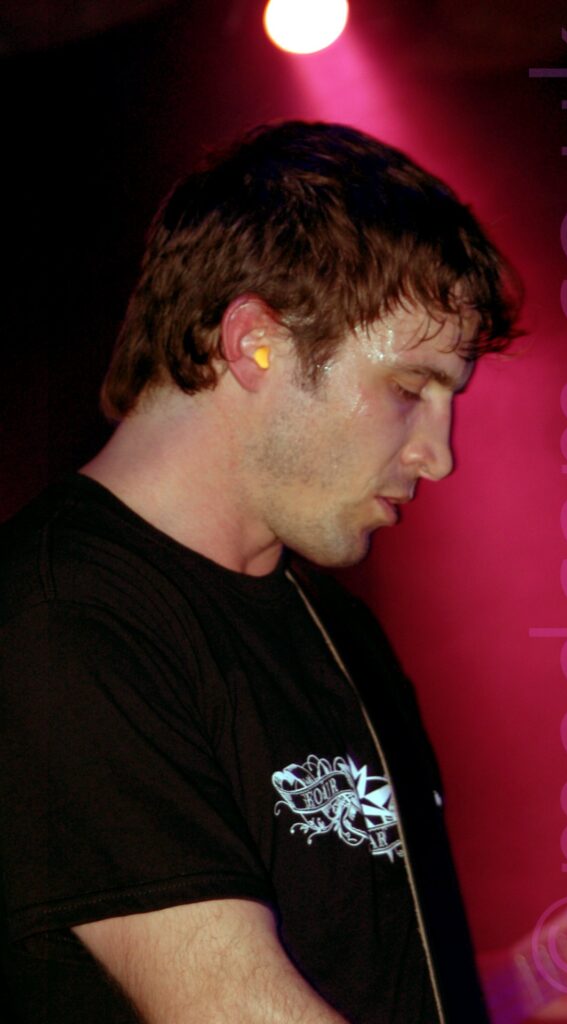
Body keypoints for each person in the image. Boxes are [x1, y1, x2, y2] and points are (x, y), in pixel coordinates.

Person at [0, 121, 520, 1024]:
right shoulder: (58, 618)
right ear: (254, 344)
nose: (439, 456)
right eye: (408, 389)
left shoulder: (337, 627)